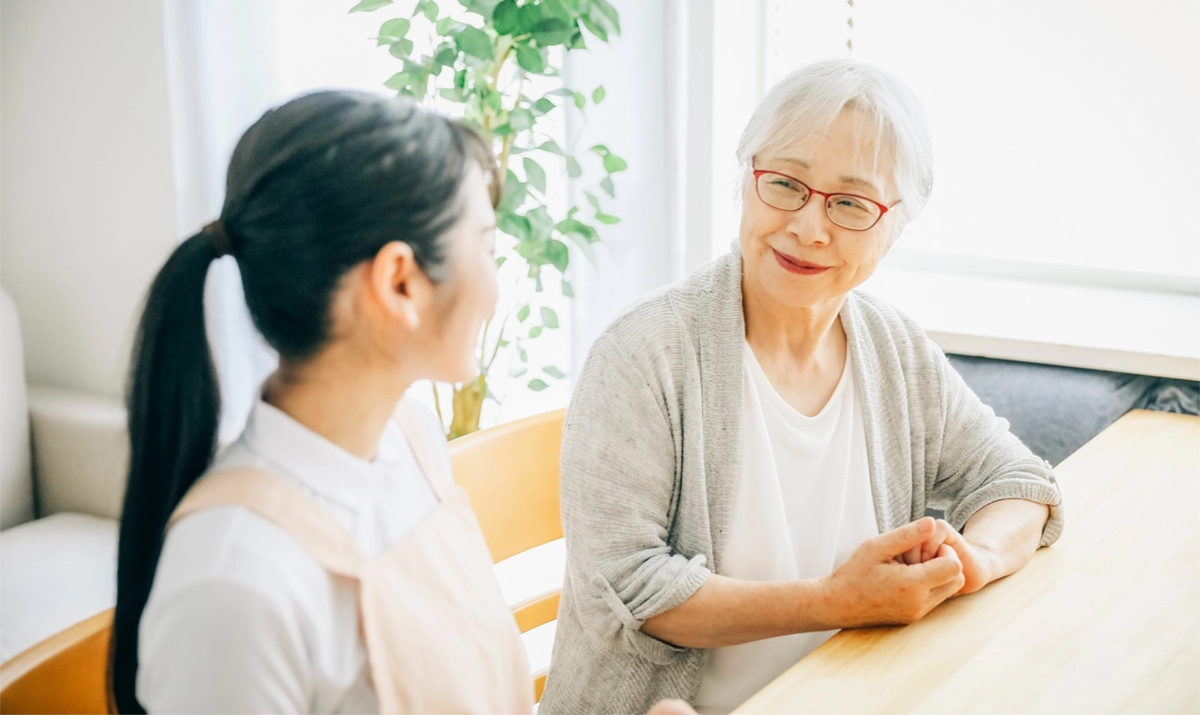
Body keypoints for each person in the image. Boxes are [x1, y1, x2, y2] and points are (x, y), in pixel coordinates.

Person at [110, 91, 697, 715]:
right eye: (487, 248)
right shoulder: (235, 581)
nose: (496, 292)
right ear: (399, 282)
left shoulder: (410, 441)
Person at [539, 59, 1064, 715]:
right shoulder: (646, 354)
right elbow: (626, 589)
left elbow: (1017, 479)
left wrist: (976, 560)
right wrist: (839, 600)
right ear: (747, 180)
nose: (809, 227)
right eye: (785, 184)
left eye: (849, 203)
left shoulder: (893, 349)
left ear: (895, 224)